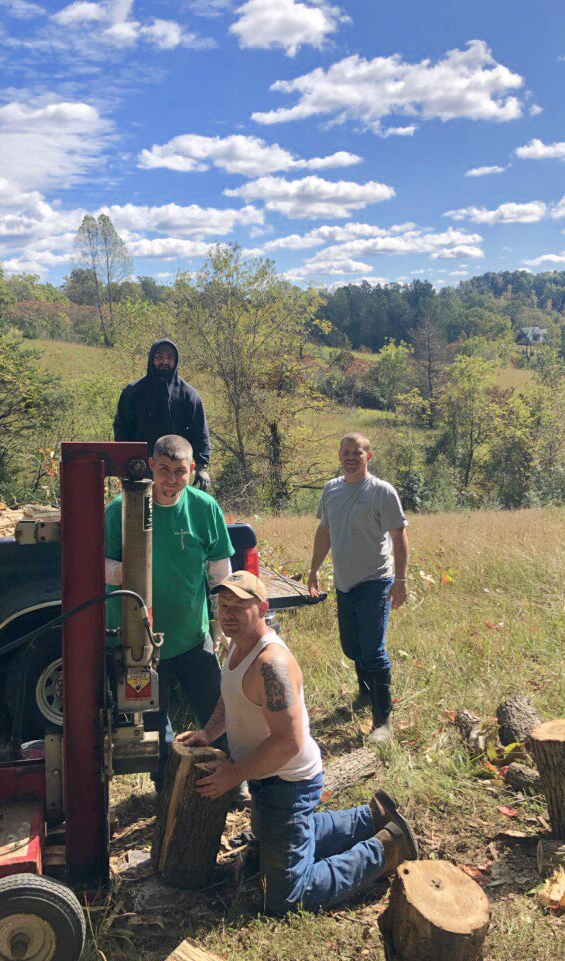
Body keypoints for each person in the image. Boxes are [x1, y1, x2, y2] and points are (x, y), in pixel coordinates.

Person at [178, 570, 418, 916]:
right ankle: (369, 818)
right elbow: (230, 695)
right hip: (266, 780)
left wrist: (234, 774)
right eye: (222, 604)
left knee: (286, 896)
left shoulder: (270, 664)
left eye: (238, 607)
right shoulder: (235, 645)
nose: (227, 614)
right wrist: (209, 732)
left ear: (262, 608)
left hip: (289, 783)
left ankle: (386, 848)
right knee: (274, 838)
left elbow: (288, 743)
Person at [105, 434, 235, 782]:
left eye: (180, 471)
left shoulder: (204, 508)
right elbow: (95, 564)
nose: (172, 479)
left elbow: (220, 572)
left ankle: (233, 780)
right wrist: (125, 571)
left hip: (194, 638)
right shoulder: (122, 509)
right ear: (151, 466)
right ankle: (166, 792)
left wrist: (222, 626)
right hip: (139, 644)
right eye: (164, 469)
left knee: (218, 712)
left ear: (192, 470)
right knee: (152, 725)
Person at [308, 433, 409, 745]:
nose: (351, 457)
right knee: (352, 648)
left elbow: (399, 538)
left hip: (376, 581)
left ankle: (383, 722)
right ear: (339, 455)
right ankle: (365, 694)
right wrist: (313, 569)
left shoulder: (381, 492)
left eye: (358, 452)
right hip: (345, 583)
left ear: (369, 456)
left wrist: (401, 581)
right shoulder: (331, 490)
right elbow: (324, 531)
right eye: (346, 452)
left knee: (373, 651)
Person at [113, 338, 212, 490]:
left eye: (170, 357)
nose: (164, 361)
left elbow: (199, 431)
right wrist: (122, 463)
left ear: (176, 361)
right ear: (151, 359)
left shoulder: (189, 395)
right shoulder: (133, 392)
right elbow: (122, 428)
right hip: (139, 469)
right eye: (159, 356)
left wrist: (201, 466)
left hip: (176, 469)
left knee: (172, 510)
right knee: (140, 513)